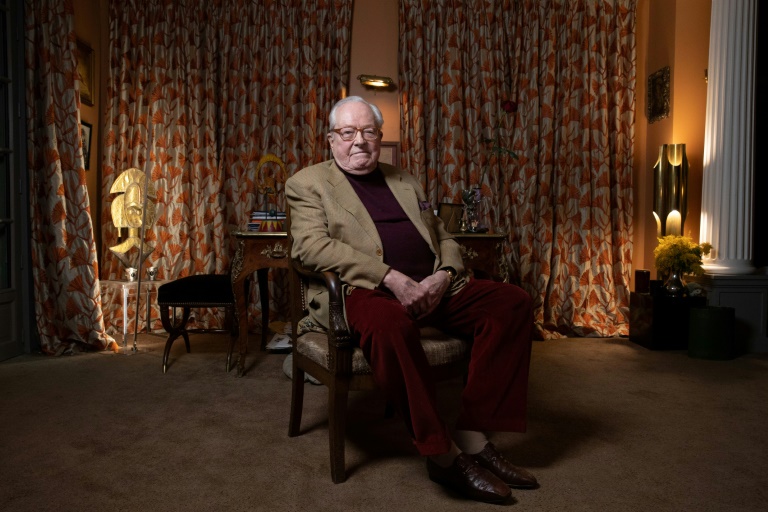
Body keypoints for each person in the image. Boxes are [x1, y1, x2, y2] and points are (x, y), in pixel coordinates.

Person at [286, 96, 536, 504]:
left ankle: (473, 435)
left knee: (512, 302)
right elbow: (310, 247)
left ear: (379, 137)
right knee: (390, 326)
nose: (359, 141)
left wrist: (445, 274)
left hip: (432, 288)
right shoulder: (307, 183)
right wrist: (389, 277)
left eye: (368, 132)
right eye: (347, 133)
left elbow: (443, 236)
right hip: (362, 290)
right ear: (331, 140)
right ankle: (442, 454)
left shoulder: (404, 180)